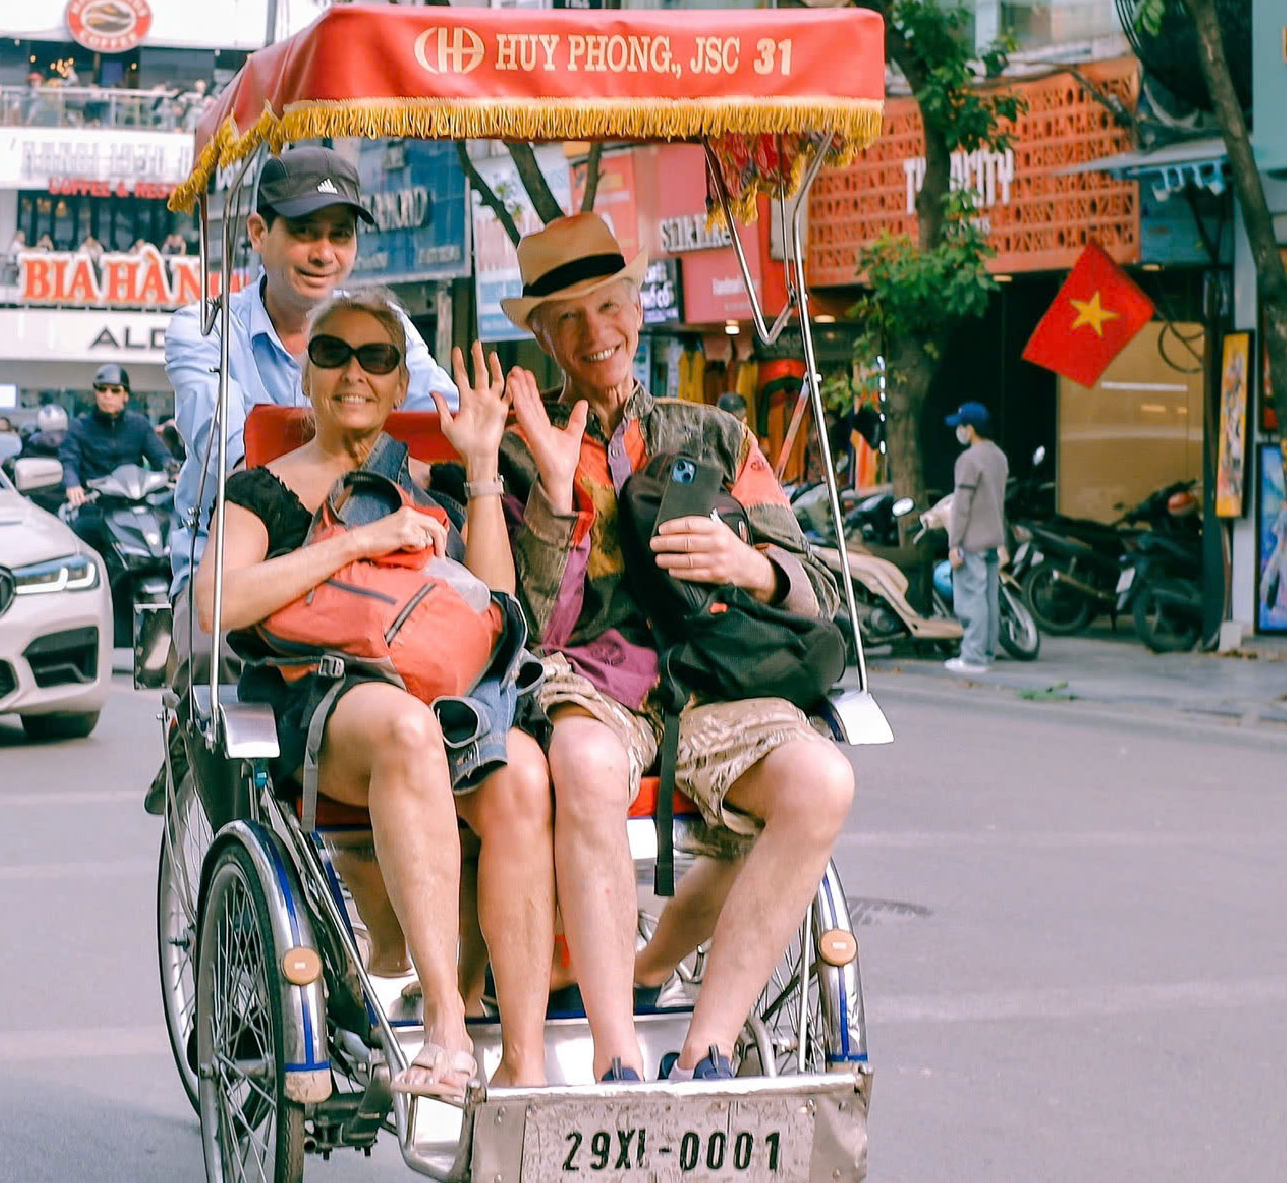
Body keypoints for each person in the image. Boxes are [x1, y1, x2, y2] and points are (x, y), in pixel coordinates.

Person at [497, 213, 853, 1084]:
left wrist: (751, 566)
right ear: (543, 338)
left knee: (823, 782)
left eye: (609, 306)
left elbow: (818, 584)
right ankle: (616, 1054)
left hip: (715, 683)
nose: (595, 333)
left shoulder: (718, 437)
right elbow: (520, 625)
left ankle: (709, 1046)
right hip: (590, 685)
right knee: (583, 761)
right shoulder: (512, 448)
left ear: (638, 308)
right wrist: (553, 497)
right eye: (568, 319)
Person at [194, 291, 552, 1093]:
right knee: (406, 731)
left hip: (451, 699)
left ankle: (525, 1066)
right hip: (329, 695)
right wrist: (360, 540)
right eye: (332, 355)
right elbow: (215, 605)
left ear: (398, 384)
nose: (353, 373)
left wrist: (482, 467)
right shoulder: (264, 490)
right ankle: (447, 1031)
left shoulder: (428, 483)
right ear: (305, 375)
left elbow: (494, 603)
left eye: (375, 358)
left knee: (526, 774)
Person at [163, 144, 457, 605]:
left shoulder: (387, 327)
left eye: (340, 235)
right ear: (259, 233)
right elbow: (238, 459)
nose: (324, 254)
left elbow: (447, 431)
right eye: (304, 232)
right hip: (231, 579)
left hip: (368, 575)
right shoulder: (206, 330)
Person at [941, 402, 1007, 674]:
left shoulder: (968, 460)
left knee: (971, 598)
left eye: (960, 426)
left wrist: (954, 543)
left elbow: (961, 506)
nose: (958, 430)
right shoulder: (999, 456)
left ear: (970, 429)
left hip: (972, 539)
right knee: (989, 598)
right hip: (993, 537)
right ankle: (987, 652)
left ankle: (973, 657)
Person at [60, 364, 175, 507]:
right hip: (94, 505)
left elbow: (160, 455)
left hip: (135, 502)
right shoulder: (78, 427)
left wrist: (172, 470)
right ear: (96, 393)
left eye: (115, 390)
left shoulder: (139, 424)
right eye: (102, 389)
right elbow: (69, 461)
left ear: (126, 395)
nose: (108, 395)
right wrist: (72, 483)